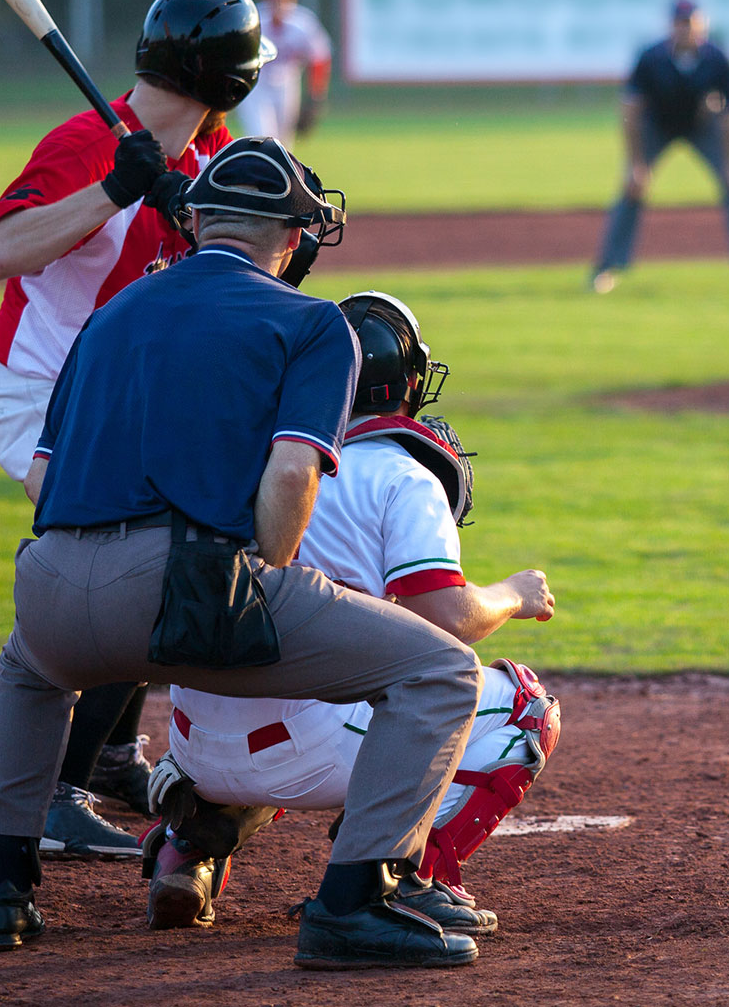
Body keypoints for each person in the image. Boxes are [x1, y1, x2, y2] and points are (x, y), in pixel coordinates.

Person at [0, 138, 487, 972]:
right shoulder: (313, 322)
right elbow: (291, 473)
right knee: (441, 672)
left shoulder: (110, 316)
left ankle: (0, 887)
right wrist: (265, 575)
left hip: (52, 582)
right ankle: (355, 901)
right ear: (293, 239)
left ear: (197, 220)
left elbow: (43, 476)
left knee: (28, 673)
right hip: (194, 588)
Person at [142, 291, 560, 938]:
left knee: (273, 667)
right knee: (522, 703)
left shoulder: (242, 452)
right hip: (311, 747)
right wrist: (513, 593)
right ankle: (408, 877)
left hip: (191, 741)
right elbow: (446, 618)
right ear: (411, 383)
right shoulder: (400, 475)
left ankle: (188, 845)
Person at [0, 0, 269, 859]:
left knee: (171, 546)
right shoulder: (84, 145)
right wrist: (114, 188)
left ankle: (106, 757)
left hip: (123, 402)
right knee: (126, 567)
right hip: (42, 396)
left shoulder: (211, 151)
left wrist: (197, 213)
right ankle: (54, 797)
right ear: (229, 76)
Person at [589, 0, 729, 292]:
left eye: (690, 22)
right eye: (680, 22)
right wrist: (635, 163)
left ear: (702, 24)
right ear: (671, 26)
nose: (685, 28)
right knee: (632, 186)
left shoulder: (717, 58)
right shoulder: (651, 58)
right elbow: (631, 110)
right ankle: (606, 267)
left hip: (702, 127)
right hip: (657, 126)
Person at [231, 0, 333, 142]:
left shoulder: (302, 23)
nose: (278, 4)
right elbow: (235, 54)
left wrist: (316, 97)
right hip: (256, 85)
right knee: (262, 136)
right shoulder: (254, 19)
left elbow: (320, 59)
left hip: (288, 84)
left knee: (284, 143)